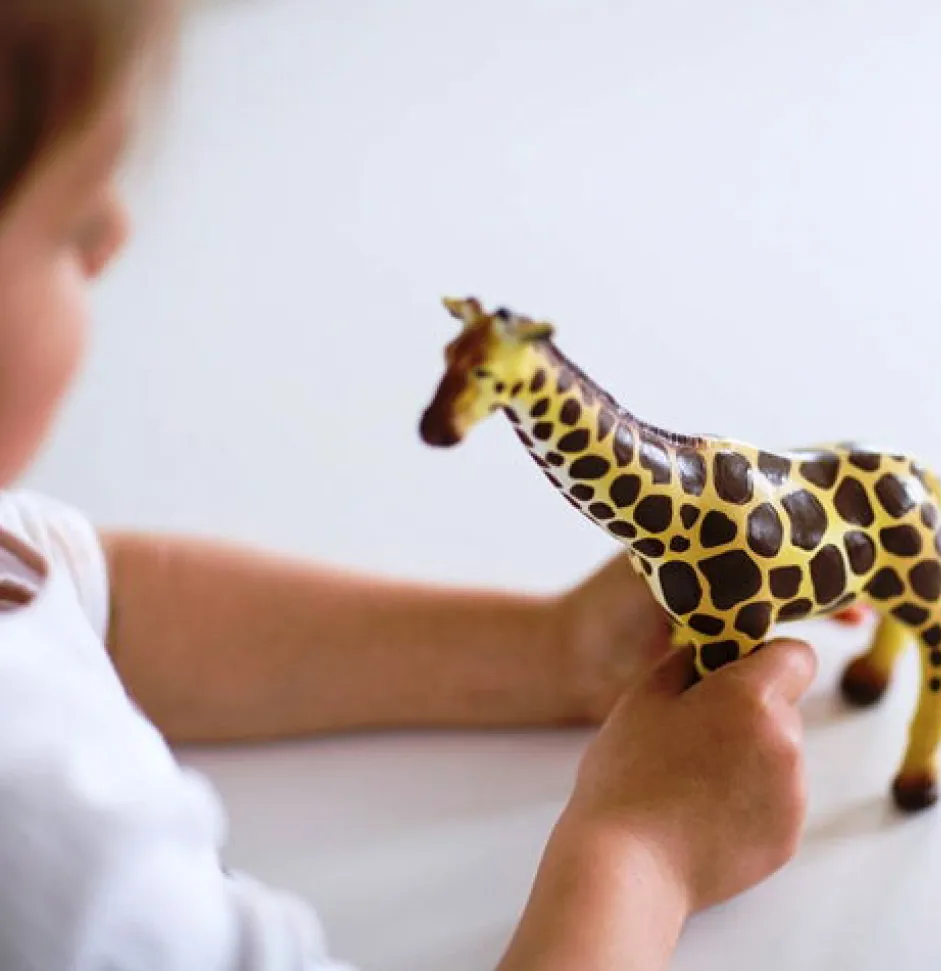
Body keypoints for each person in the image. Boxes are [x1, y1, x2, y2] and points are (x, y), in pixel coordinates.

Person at [0, 3, 866, 968]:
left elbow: (107, 605)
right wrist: (646, 855)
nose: (115, 236)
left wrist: (548, 653)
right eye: (75, 219)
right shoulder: (52, 859)